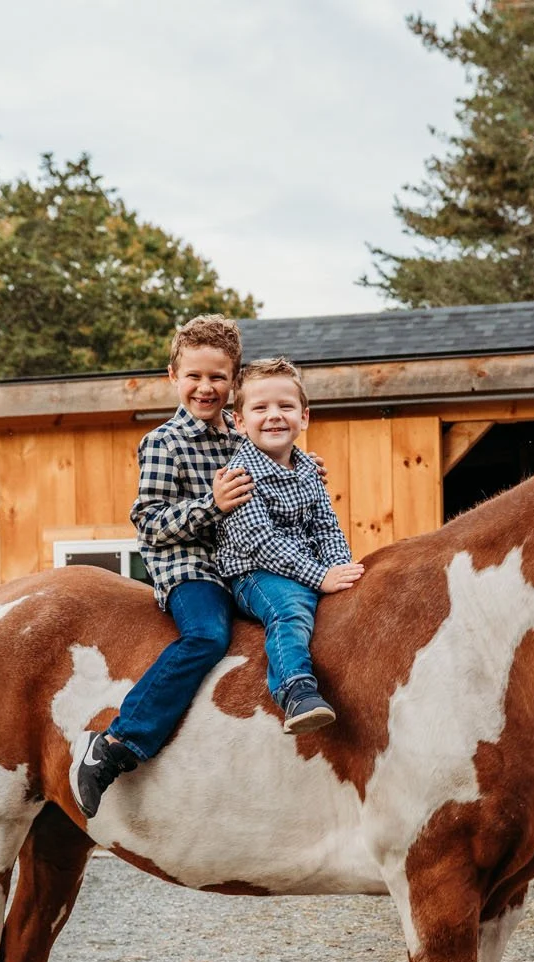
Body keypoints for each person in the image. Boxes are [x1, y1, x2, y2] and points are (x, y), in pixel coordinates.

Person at [73, 315, 254, 817]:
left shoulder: (245, 441)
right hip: (189, 568)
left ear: (234, 382)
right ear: (173, 377)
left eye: (218, 376)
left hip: (241, 565)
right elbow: (149, 524)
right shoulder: (163, 443)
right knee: (208, 636)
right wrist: (211, 506)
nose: (205, 386)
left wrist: (299, 468)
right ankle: (116, 743)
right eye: (194, 376)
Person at [212, 357, 363, 732]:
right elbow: (263, 544)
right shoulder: (239, 475)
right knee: (290, 607)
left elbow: (327, 527)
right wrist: (320, 576)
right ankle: (294, 689)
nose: (274, 416)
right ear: (240, 422)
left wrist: (339, 569)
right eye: (260, 408)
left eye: (286, 406)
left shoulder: (309, 470)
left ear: (304, 417)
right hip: (254, 574)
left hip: (303, 567)